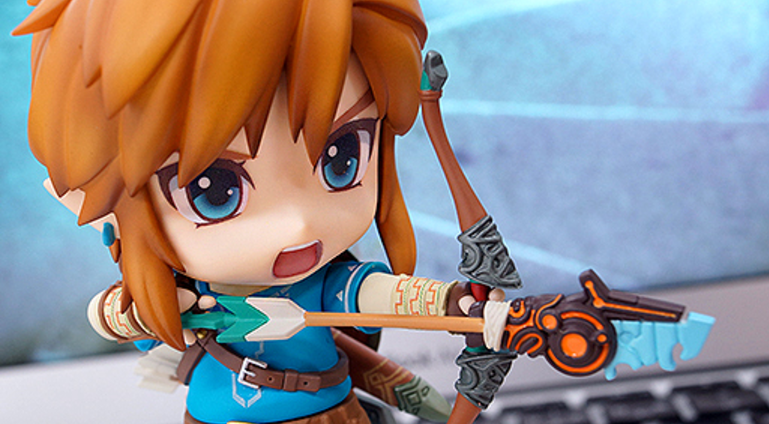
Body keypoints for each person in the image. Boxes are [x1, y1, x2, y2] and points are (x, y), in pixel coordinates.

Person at [13, 1, 493, 422]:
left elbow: (378, 295)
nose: (299, 225)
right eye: (215, 190)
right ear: (93, 200)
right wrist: (149, 310)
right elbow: (116, 318)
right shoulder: (187, 297)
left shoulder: (324, 286)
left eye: (342, 157)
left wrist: (460, 306)